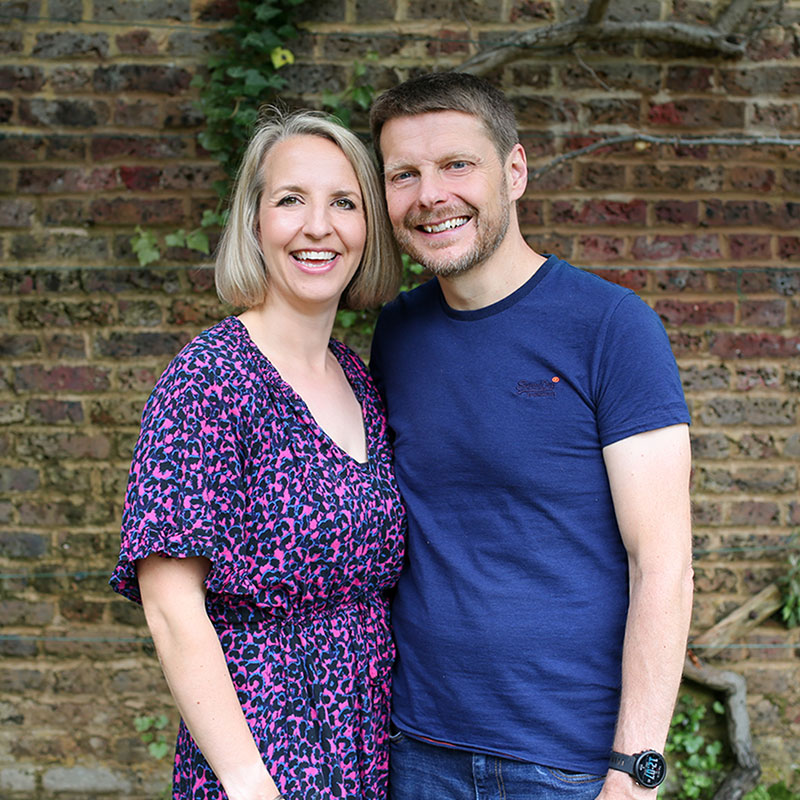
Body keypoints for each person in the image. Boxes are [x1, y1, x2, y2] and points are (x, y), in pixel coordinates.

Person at [368, 72, 694, 800]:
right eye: (404, 175)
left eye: (457, 164)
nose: (430, 195)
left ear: (514, 171)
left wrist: (634, 773)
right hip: (418, 748)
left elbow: (663, 566)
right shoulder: (398, 332)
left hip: (568, 765)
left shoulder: (612, 327)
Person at [110, 109, 406, 800]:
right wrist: (249, 781)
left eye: (344, 202)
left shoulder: (356, 377)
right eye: (290, 200)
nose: (318, 226)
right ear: (254, 220)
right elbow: (170, 604)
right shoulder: (210, 380)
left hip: (366, 744)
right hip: (265, 750)